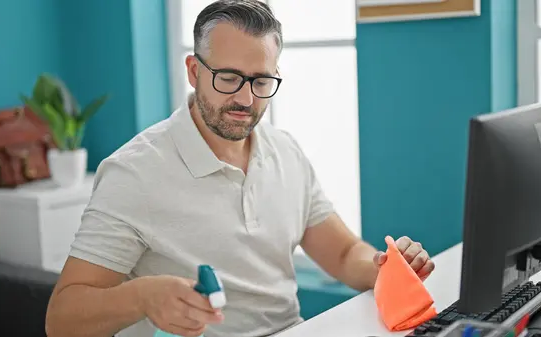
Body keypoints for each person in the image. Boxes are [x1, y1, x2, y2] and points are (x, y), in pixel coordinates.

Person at [44, 1, 436, 337]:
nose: (245, 99)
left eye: (261, 81)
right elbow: (61, 320)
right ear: (194, 72)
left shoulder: (286, 152)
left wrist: (387, 269)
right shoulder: (134, 172)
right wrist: (143, 296)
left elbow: (345, 252)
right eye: (228, 78)